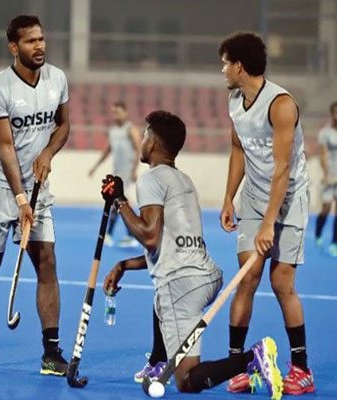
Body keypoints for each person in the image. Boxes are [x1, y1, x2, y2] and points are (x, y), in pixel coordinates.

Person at [102, 110, 283, 399]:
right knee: (162, 294)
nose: (142, 141)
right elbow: (169, 247)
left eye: (145, 135)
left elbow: (149, 237)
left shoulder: (151, 179)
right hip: (206, 276)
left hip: (182, 286)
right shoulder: (183, 180)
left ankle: (251, 359)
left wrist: (120, 201)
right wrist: (124, 265)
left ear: (153, 143)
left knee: (186, 380)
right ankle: (158, 361)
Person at [0, 14, 70, 375]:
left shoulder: (57, 79)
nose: (39, 46)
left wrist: (48, 153)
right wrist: (21, 200)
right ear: (13, 47)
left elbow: (63, 125)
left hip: (40, 188)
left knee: (47, 262)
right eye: (30, 41)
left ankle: (51, 352)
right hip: (0, 189)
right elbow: (6, 148)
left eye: (41, 39)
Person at [218, 32, 314, 395]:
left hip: (290, 199)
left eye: (225, 63)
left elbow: (283, 168)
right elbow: (237, 150)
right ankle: (236, 365)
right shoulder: (234, 100)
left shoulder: (281, 104)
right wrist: (229, 198)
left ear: (239, 66)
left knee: (281, 282)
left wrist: (269, 223)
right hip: (255, 197)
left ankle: (302, 370)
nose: (223, 70)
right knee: (247, 278)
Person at [88, 101, 142, 247]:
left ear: (125, 112)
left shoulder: (130, 129)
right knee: (122, 203)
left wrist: (134, 169)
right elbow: (107, 151)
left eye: (118, 112)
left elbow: (138, 149)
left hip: (127, 172)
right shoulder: (113, 131)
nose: (115, 115)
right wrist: (95, 167)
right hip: (117, 172)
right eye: (114, 112)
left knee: (117, 201)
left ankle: (111, 234)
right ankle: (130, 235)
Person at [316, 101, 337, 257]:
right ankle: (318, 233)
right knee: (326, 208)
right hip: (330, 175)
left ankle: (334, 242)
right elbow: (323, 154)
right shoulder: (325, 133)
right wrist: (327, 174)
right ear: (332, 114)